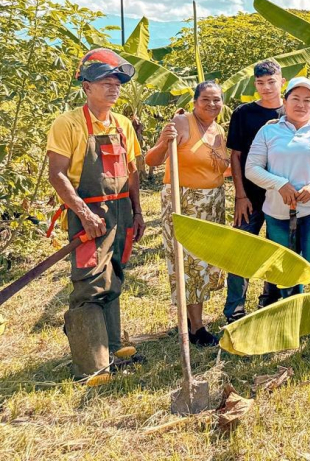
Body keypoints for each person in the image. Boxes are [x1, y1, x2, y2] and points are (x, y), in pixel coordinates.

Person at [46, 49, 145, 383]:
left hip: (120, 211)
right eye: (105, 81)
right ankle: (92, 365)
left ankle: (113, 347)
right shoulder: (68, 123)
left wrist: (137, 211)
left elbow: (132, 172)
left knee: (115, 275)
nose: (113, 87)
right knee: (89, 283)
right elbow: (57, 175)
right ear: (86, 86)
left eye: (116, 81)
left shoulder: (123, 124)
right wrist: (84, 213)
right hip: (86, 210)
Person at [244, 76, 310, 337]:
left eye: (307, 100)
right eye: (296, 99)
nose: (301, 104)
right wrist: (279, 184)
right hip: (278, 212)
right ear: (286, 101)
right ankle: (293, 318)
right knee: (287, 270)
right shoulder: (268, 131)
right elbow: (252, 168)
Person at [145, 81, 229, 347]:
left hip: (213, 202)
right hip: (185, 201)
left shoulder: (219, 131)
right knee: (189, 264)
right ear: (195, 101)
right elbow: (152, 160)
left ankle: (195, 319)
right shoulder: (182, 122)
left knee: (206, 263)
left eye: (217, 100)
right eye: (206, 99)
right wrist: (163, 142)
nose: (212, 104)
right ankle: (196, 327)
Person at [223, 59, 285, 323]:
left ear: (281, 82)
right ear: (255, 84)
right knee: (240, 252)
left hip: (282, 198)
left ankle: (269, 303)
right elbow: (235, 156)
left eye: (271, 82)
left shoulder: (292, 111)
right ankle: (234, 310)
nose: (266, 88)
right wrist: (240, 196)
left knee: (277, 251)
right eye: (260, 83)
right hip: (249, 197)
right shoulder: (243, 114)